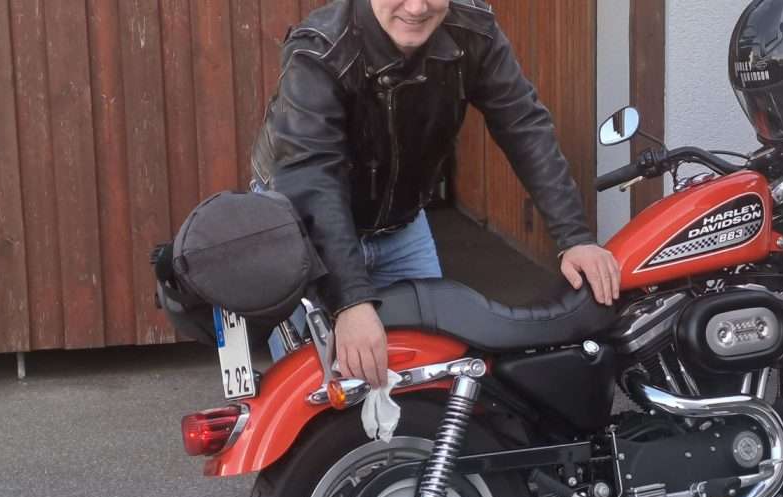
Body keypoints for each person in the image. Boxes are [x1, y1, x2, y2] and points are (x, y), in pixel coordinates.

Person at [251, 0, 620, 388]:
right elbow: (311, 178)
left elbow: (523, 125)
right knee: (317, 389)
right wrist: (349, 301)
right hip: (306, 229)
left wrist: (575, 237)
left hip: (400, 226)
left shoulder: (473, 31)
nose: (416, 7)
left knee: (430, 376)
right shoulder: (321, 49)